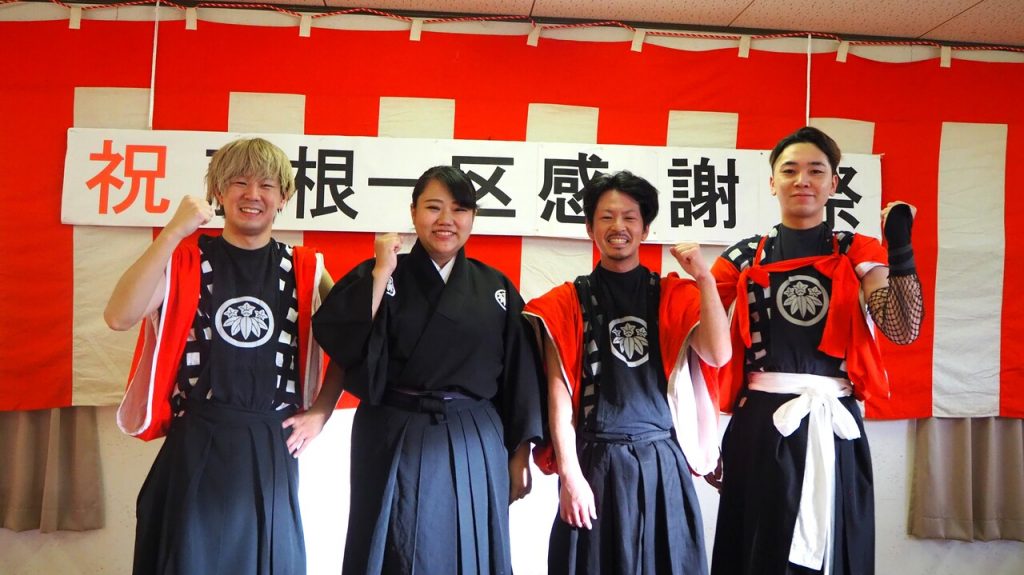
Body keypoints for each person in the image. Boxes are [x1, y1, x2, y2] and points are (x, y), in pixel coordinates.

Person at [105, 137, 343, 575]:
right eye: (239, 182)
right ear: (217, 191)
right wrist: (173, 232)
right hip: (197, 435)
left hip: (271, 441)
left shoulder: (306, 268)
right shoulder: (186, 261)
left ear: (283, 197)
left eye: (266, 185)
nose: (253, 194)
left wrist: (322, 411)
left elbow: (355, 342)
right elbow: (119, 316)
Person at [709, 126, 924, 575]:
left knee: (835, 546)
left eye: (815, 171)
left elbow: (901, 328)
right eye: (789, 170)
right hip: (761, 424)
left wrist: (900, 247)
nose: (802, 180)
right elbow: (703, 345)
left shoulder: (855, 251)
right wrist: (704, 439)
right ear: (772, 182)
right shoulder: (744, 257)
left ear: (834, 183)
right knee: (759, 549)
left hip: (833, 420)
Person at [311, 165, 544, 575]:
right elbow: (344, 342)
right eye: (433, 207)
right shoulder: (383, 272)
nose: (446, 220)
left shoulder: (496, 287)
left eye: (459, 209)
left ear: (473, 217)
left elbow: (521, 379)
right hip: (393, 430)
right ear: (413, 211)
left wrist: (520, 453)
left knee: (470, 547)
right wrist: (380, 273)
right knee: (391, 546)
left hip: (474, 435)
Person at [524, 171, 731, 575]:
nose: (618, 226)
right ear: (590, 228)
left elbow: (719, 354)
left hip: (662, 460)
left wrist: (704, 278)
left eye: (629, 217)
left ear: (645, 228)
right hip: (595, 461)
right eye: (606, 217)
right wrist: (570, 477)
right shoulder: (566, 302)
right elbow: (558, 398)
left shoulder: (674, 293)